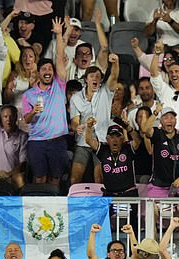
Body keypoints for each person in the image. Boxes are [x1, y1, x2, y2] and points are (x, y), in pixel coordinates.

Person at [22, 17, 69, 188]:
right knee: (39, 179)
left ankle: (55, 213)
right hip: (37, 142)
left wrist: (59, 34)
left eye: (50, 69)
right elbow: (26, 120)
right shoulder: (29, 94)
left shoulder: (59, 85)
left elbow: (59, 56)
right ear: (39, 73)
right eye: (44, 69)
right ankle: (37, 208)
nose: (47, 71)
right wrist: (33, 112)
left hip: (57, 141)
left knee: (55, 179)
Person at [140, 106, 179, 242]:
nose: (169, 120)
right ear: (160, 121)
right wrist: (154, 112)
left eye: (172, 117)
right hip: (159, 184)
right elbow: (145, 129)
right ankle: (152, 249)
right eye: (165, 117)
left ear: (176, 120)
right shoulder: (157, 134)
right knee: (151, 212)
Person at [69, 53, 119, 185]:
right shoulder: (76, 98)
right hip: (83, 142)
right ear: (86, 79)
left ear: (101, 80)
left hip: (102, 141)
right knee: (74, 179)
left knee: (100, 179)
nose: (95, 78)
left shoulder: (106, 91)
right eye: (92, 76)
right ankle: (75, 205)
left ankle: (100, 205)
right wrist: (77, 127)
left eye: (98, 76)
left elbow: (114, 76)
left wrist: (115, 63)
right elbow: (74, 121)